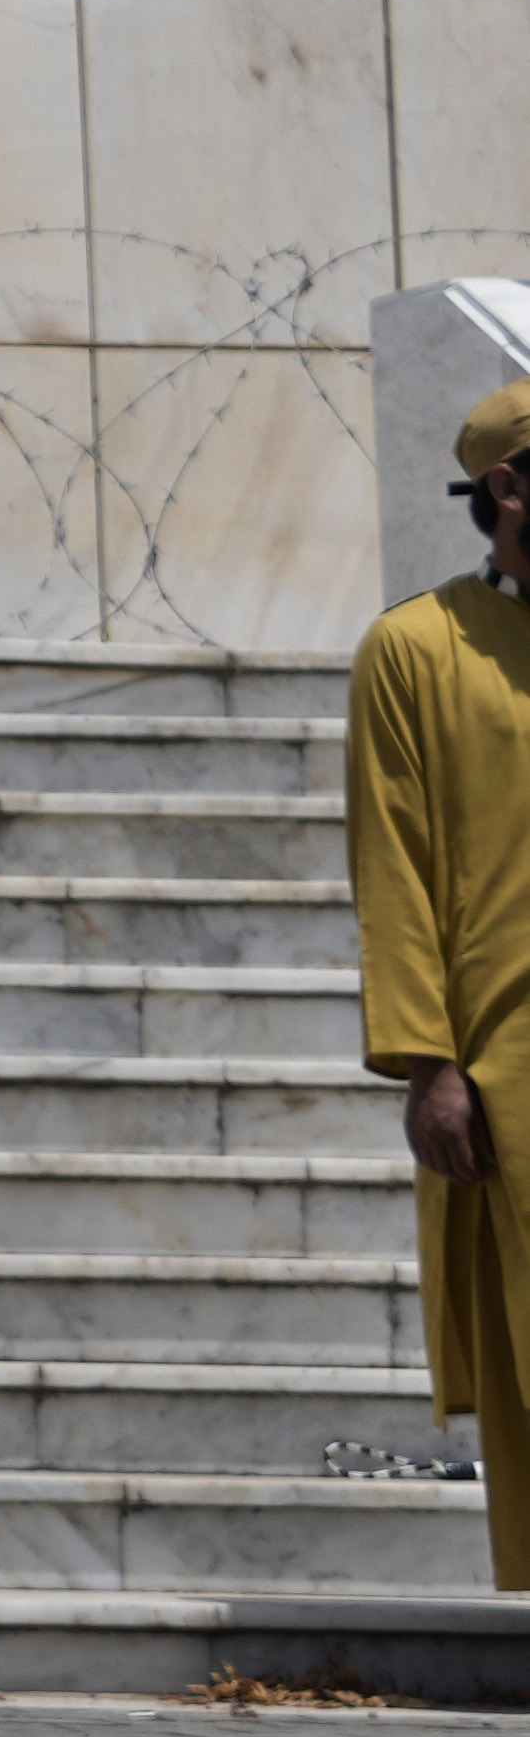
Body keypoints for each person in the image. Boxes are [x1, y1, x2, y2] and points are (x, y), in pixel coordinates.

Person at [353, 376, 530, 1596]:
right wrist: (428, 1061)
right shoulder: (416, 648)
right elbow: (393, 864)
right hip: (509, 1066)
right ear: (508, 485)